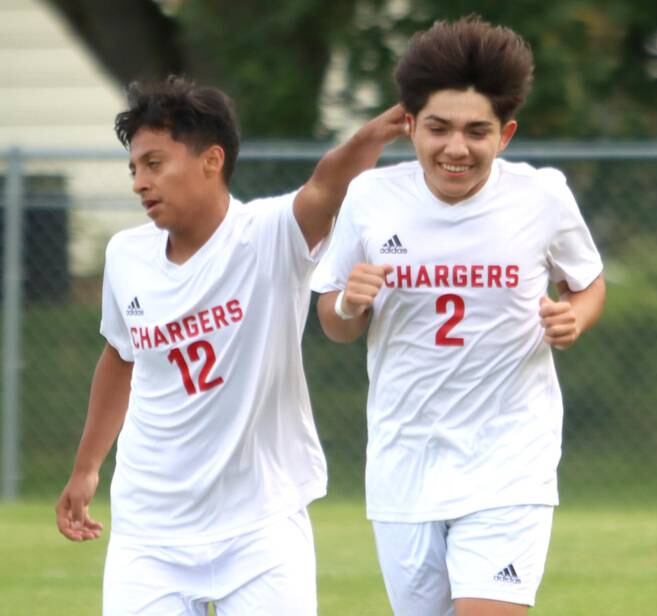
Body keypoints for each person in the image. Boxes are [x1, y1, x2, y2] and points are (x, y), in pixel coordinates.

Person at [54, 75, 404, 615]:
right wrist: (85, 468)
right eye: (133, 168)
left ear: (211, 160)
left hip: (260, 524)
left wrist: (375, 134)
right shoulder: (126, 255)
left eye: (154, 163)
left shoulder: (266, 235)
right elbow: (120, 358)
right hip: (150, 528)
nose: (139, 183)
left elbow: (326, 187)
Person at [312, 16, 606, 616]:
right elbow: (333, 323)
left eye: (477, 131)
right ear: (411, 125)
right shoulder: (371, 199)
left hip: (509, 461)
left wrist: (574, 318)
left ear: (506, 134)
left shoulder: (541, 196)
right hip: (405, 464)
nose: (456, 148)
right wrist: (349, 303)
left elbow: (589, 283)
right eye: (439, 128)